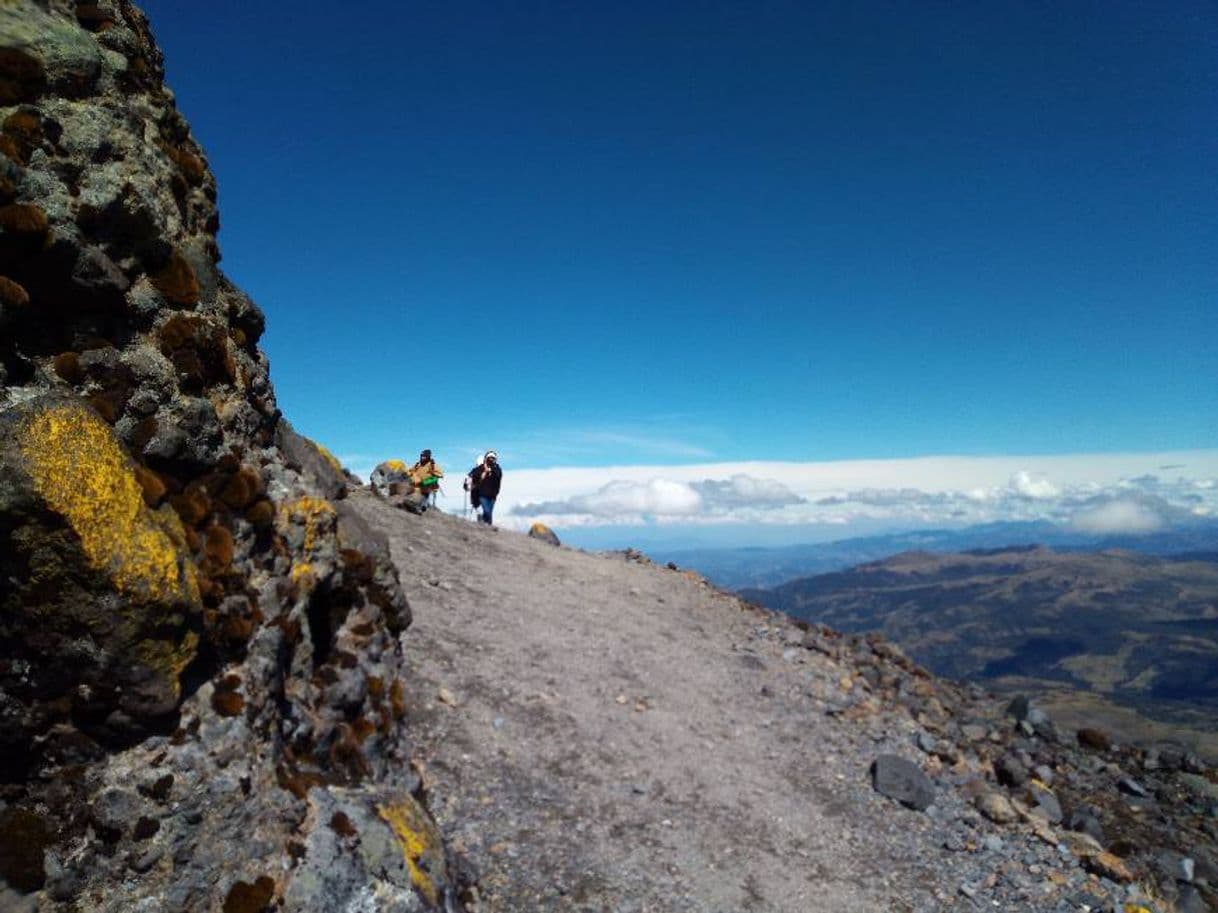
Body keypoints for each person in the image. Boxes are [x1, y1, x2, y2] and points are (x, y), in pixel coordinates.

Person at [471, 450, 502, 525]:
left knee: (489, 512)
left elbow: (499, 475)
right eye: (489, 458)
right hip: (482, 494)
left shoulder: (497, 468)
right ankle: (485, 524)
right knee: (486, 511)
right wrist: (484, 472)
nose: (491, 460)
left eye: (493, 458)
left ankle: (488, 527)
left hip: (493, 495)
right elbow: (474, 475)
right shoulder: (481, 468)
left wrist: (491, 470)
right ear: (486, 459)